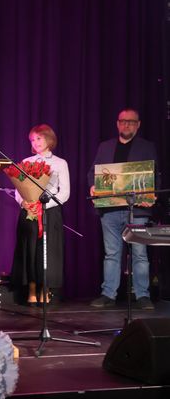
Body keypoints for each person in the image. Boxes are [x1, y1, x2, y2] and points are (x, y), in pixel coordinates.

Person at [88, 108, 157, 310]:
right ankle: (108, 294)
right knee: (111, 253)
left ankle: (142, 295)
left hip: (137, 209)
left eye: (131, 121)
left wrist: (151, 195)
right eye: (123, 121)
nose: (126, 124)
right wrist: (93, 186)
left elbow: (154, 174)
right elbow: (93, 172)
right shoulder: (105, 146)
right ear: (117, 124)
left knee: (140, 253)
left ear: (138, 125)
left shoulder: (147, 147)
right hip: (110, 210)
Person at [10, 124, 70, 306]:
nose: (35, 143)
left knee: (47, 252)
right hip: (29, 212)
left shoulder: (60, 163)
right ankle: (31, 291)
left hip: (49, 212)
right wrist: (23, 202)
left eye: (39, 138)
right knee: (29, 251)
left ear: (49, 139)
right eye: (32, 140)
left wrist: (44, 205)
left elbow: (64, 192)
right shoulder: (27, 161)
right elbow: (18, 189)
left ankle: (45, 290)